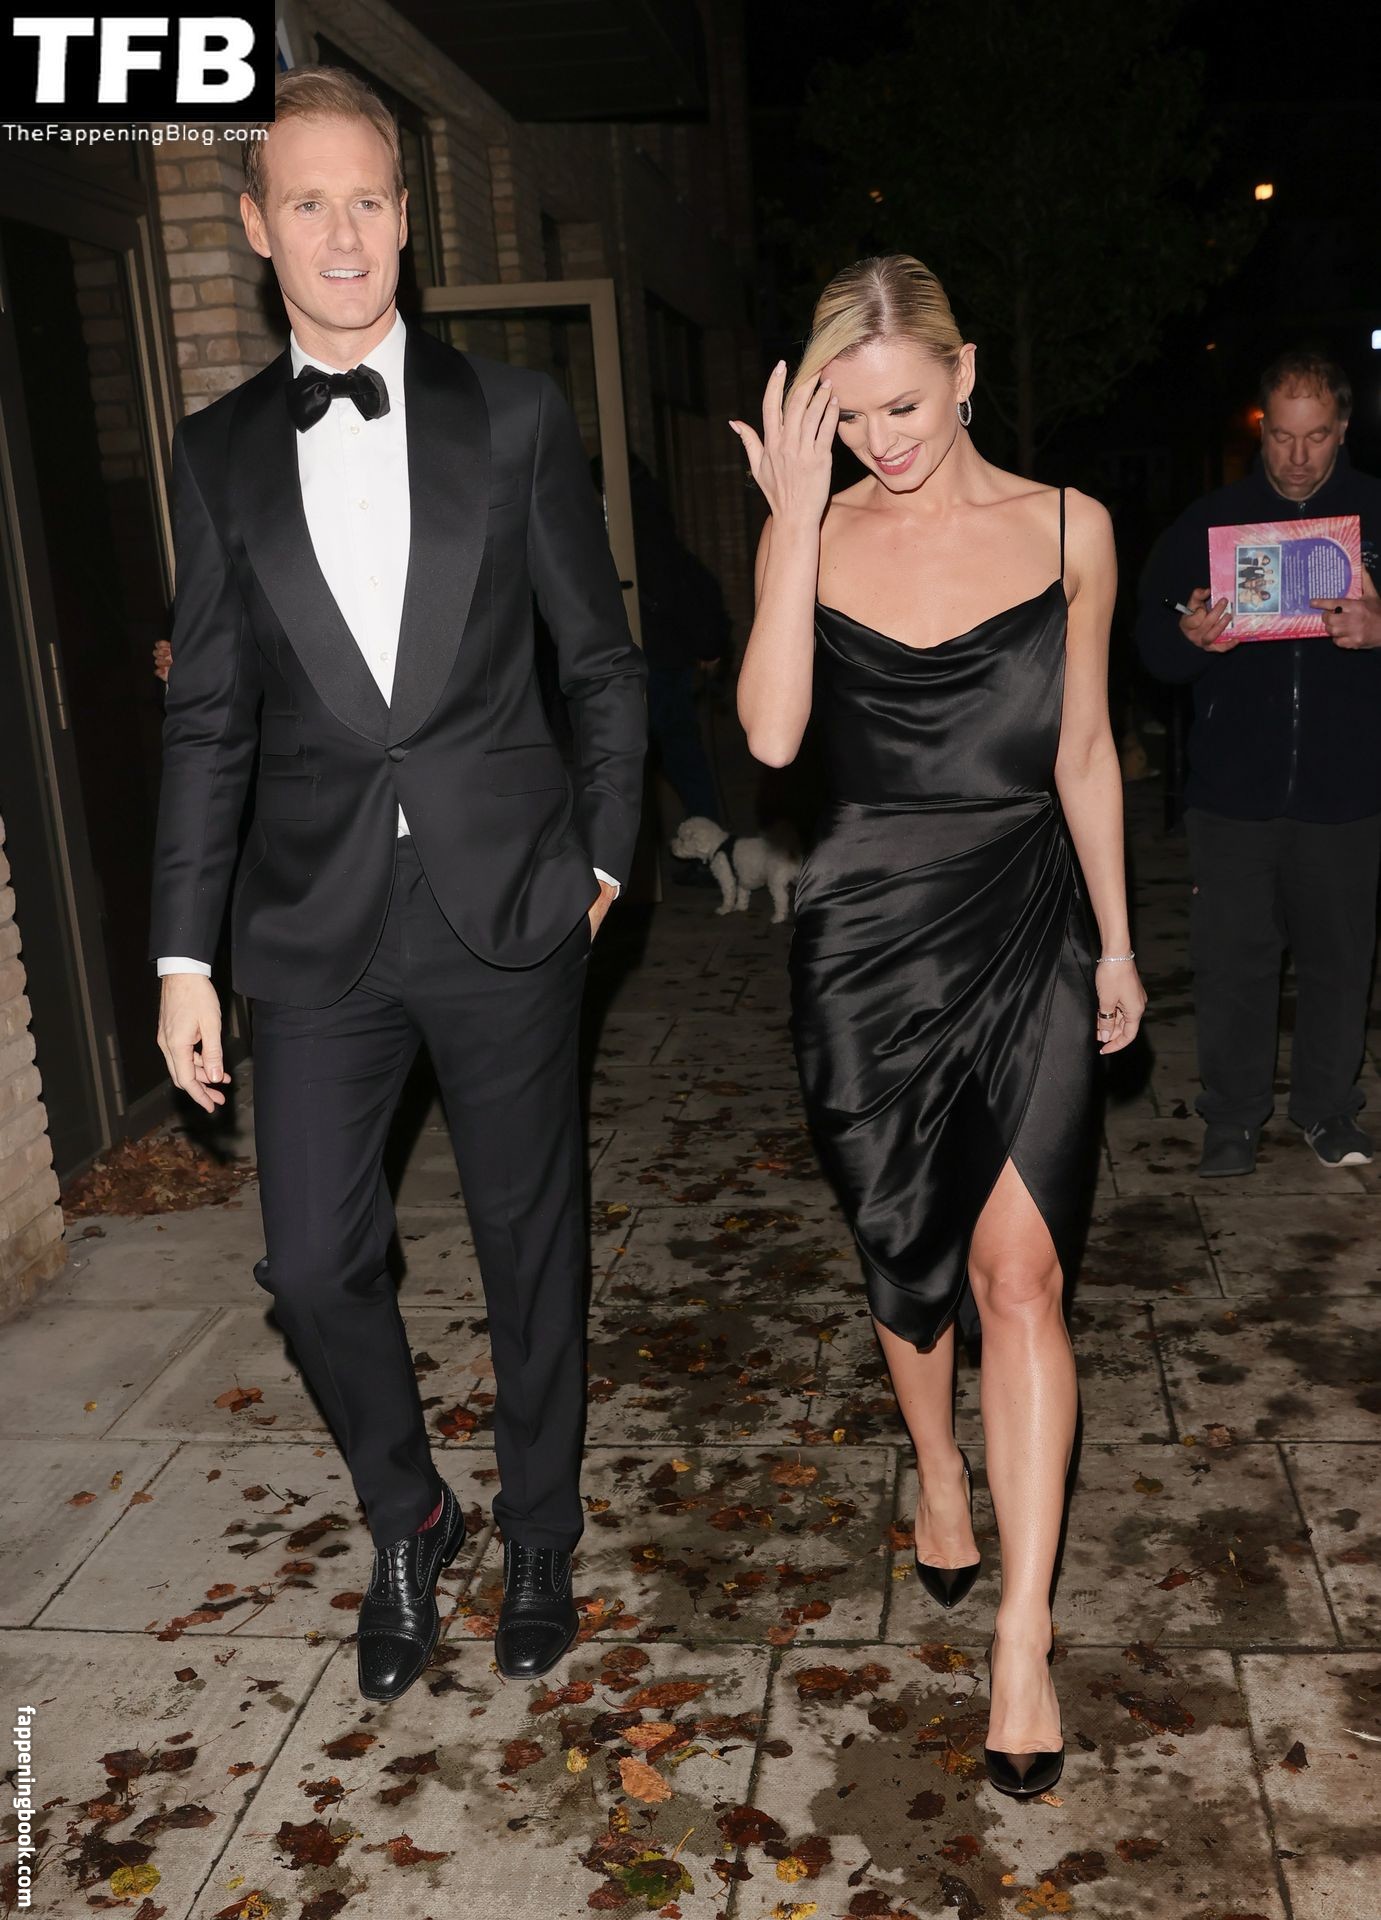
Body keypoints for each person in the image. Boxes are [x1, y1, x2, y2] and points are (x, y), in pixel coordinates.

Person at [149, 66, 646, 1703]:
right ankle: (411, 1511)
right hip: (311, 925)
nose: (342, 232)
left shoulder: (514, 416)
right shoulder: (216, 451)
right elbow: (210, 718)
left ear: (408, 219)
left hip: (509, 905)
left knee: (527, 1241)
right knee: (309, 1263)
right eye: (308, 202)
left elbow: (601, 659)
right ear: (255, 227)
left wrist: (603, 855)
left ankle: (544, 1526)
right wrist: (180, 956)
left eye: (367, 198)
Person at [732, 255, 1144, 1800]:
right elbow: (774, 733)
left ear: (964, 376)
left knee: (1021, 1277)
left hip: (1029, 921)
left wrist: (1117, 939)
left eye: (903, 406)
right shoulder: (819, 528)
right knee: (909, 1256)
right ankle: (937, 1466)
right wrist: (791, 519)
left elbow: (1084, 749)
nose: (882, 441)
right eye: (851, 418)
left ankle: (1022, 1639)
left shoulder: (1071, 528)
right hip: (866, 941)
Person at [1136, 351, 1381, 1178]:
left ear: (1341, 430)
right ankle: (1232, 1119)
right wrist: (1186, 639)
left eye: (1316, 436)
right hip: (1232, 796)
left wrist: (1378, 632)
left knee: (1338, 966)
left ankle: (1328, 1111)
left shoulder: (1376, 515)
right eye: (1281, 436)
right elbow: (1149, 647)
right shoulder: (1209, 524)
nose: (1298, 456)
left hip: (1347, 793)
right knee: (1231, 966)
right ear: (1260, 428)